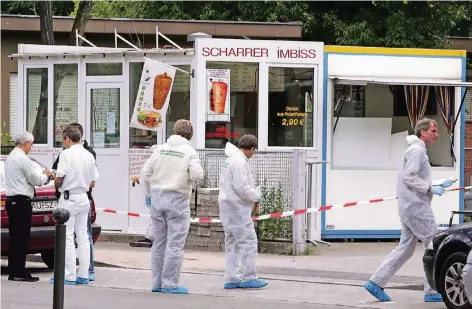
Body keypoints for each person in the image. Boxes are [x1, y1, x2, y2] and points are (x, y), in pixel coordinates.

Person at [364, 118, 453, 303]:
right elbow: (409, 177)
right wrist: (430, 188)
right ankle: (432, 290)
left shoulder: (414, 151)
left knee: (405, 249)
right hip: (416, 207)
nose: (437, 134)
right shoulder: (418, 151)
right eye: (433, 130)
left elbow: (413, 177)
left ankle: (376, 282)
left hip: (409, 206)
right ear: (423, 132)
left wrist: (436, 184)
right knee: (433, 244)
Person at [140, 119, 203, 294]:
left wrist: (148, 195)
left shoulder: (159, 149)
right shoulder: (189, 152)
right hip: (178, 199)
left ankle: (156, 283)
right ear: (190, 134)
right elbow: (197, 173)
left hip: (157, 198)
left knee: (158, 242)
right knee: (175, 243)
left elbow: (145, 173)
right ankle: (170, 283)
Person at [218, 135, 267, 289]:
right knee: (248, 242)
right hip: (238, 209)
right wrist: (257, 197)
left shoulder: (230, 160)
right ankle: (248, 277)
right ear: (252, 148)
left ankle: (231, 278)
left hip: (226, 208)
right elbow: (242, 188)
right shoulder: (240, 162)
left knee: (231, 243)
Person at [51, 126, 99, 285]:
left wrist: (57, 184)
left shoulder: (66, 154)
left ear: (67, 138)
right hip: (84, 198)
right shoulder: (89, 155)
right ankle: (84, 274)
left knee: (68, 237)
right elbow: (93, 182)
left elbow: (59, 178)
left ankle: (69, 275)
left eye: (62, 140)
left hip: (68, 198)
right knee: (84, 236)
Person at [4, 131, 51, 282]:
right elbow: (36, 179)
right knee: (22, 238)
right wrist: (47, 175)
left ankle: (14, 270)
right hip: (21, 201)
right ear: (26, 143)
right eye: (31, 144)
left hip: (11, 200)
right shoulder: (22, 159)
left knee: (15, 238)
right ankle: (19, 272)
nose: (31, 147)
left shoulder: (11, 157)